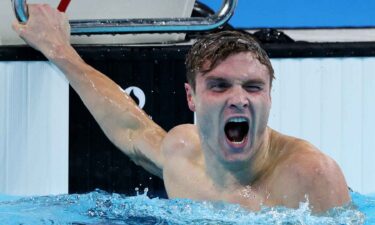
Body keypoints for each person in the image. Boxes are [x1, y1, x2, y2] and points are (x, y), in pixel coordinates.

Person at [13, 4, 350, 213]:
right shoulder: (183, 153)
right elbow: (131, 127)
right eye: (219, 86)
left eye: (252, 86)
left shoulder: (311, 176)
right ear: (191, 97)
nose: (238, 98)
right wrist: (58, 49)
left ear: (270, 97)